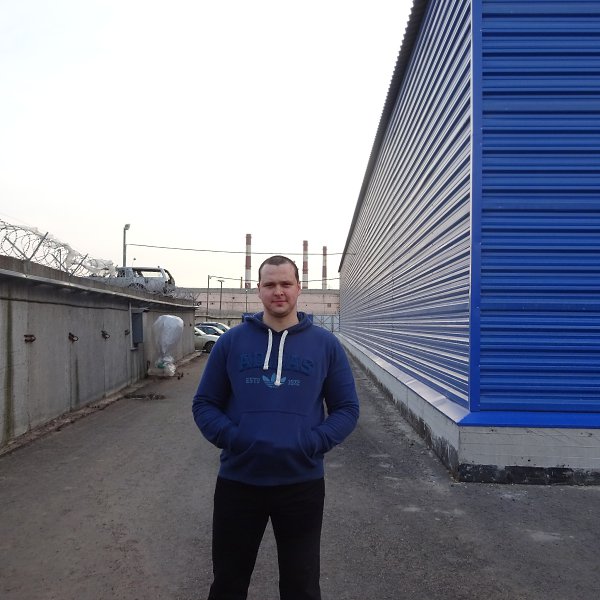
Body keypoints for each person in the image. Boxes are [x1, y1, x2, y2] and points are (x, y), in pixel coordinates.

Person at [192, 254, 359, 600]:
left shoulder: (325, 345)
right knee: (228, 583)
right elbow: (204, 403)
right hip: (239, 482)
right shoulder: (231, 342)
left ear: (299, 288)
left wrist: (312, 442)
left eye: (286, 284)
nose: (278, 291)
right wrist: (236, 438)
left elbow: (346, 409)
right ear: (258, 289)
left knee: (301, 586)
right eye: (270, 284)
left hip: (301, 484)